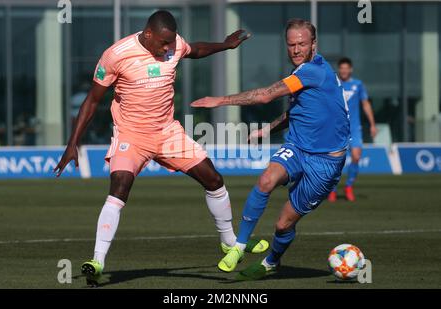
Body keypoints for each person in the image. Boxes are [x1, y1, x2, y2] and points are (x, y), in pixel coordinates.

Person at [54, 10, 268, 286]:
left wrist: (225, 45)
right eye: (163, 43)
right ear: (148, 34)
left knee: (213, 179)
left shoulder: (174, 43)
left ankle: (229, 242)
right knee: (119, 187)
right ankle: (97, 261)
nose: (168, 48)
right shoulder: (116, 54)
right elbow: (92, 101)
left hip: (167, 132)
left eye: (171, 43)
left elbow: (195, 50)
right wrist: (73, 142)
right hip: (131, 134)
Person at [191, 18, 350, 279]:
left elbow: (265, 95)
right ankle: (239, 246)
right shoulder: (301, 73)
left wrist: (219, 100)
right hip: (298, 148)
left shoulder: (314, 71)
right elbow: (298, 112)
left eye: (301, 44)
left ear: (313, 44)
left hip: (326, 163)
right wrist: (268, 130)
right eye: (291, 44)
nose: (296, 49)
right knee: (266, 179)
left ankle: (271, 262)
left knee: (283, 223)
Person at [327, 57, 377, 202]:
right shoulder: (333, 84)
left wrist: (372, 124)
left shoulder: (358, 84)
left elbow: (365, 104)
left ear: (350, 69)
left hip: (354, 128)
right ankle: (332, 189)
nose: (343, 70)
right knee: (334, 161)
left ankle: (348, 186)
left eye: (346, 68)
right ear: (339, 69)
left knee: (356, 156)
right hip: (336, 129)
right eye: (341, 68)